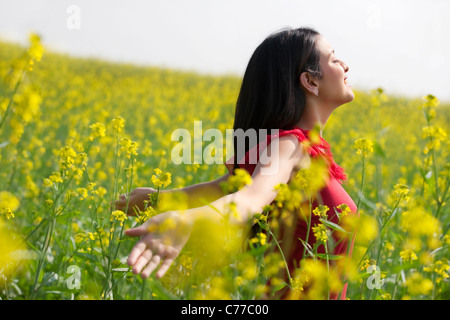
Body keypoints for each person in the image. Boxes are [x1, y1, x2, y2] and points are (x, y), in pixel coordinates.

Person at [115, 26, 357, 299]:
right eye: (335, 60)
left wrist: (159, 199)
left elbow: (229, 187)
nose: (346, 65)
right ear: (310, 81)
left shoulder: (297, 149)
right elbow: (250, 197)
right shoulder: (289, 146)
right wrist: (185, 220)